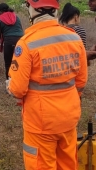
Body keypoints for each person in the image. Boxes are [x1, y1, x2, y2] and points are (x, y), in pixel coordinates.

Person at [7, 0, 88, 169]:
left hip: (40, 122)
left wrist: (10, 86)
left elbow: (18, 89)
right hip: (68, 117)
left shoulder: (27, 43)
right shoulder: (74, 38)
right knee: (67, 165)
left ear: (34, 9)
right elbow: (81, 81)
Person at [0, 3, 24, 85]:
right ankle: (21, 82)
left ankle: (10, 84)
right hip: (21, 41)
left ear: (1, 11)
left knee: (8, 64)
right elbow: (20, 30)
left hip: (9, 41)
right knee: (20, 62)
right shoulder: (16, 16)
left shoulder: (0, 19)